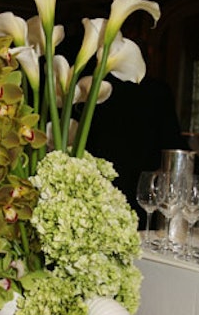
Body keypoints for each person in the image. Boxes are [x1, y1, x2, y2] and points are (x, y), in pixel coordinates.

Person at [81, 73, 188, 227]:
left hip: (95, 198)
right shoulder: (156, 90)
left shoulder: (90, 85)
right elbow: (173, 145)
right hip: (141, 198)